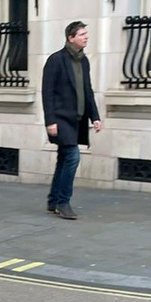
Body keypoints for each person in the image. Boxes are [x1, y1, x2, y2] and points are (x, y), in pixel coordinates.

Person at [41, 21, 102, 220]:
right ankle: (63, 202)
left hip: (77, 119)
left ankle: (53, 200)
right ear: (71, 38)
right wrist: (50, 120)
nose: (86, 37)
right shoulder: (56, 60)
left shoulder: (83, 61)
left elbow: (87, 90)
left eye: (86, 34)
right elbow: (47, 92)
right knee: (73, 157)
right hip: (60, 118)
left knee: (64, 159)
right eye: (82, 34)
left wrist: (95, 117)